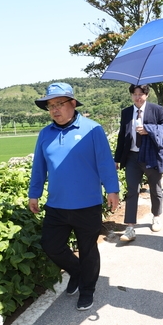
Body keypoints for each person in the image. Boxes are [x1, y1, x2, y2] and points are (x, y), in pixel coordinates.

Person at [28, 82, 120, 311]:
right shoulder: (45, 134)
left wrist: (112, 190)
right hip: (56, 204)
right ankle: (77, 271)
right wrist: (34, 193)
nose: (54, 110)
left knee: (88, 249)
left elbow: (105, 163)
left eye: (59, 104)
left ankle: (87, 290)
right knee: (51, 246)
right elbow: (38, 166)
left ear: (72, 103)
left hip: (87, 204)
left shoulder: (92, 129)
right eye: (50, 106)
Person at [114, 84, 163, 242]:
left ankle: (156, 216)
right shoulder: (127, 112)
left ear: (146, 95)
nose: (138, 97)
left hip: (151, 155)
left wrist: (149, 129)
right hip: (132, 157)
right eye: (135, 94)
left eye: (141, 94)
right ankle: (130, 226)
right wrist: (117, 159)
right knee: (132, 190)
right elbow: (122, 136)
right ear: (131, 95)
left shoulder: (157, 109)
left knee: (155, 188)